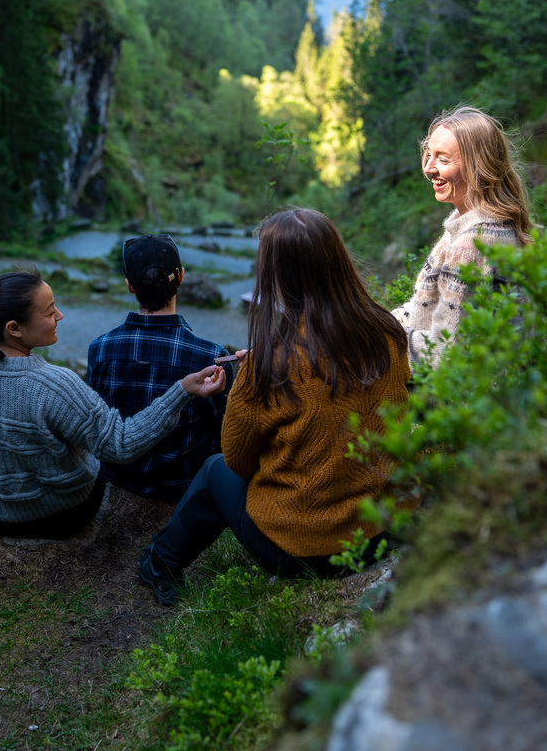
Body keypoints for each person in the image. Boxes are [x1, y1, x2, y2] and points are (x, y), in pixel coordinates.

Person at [138, 208, 415, 604]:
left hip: (302, 551)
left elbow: (237, 461)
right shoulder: (387, 331)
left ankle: (158, 562)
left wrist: (248, 381)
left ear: (276, 276)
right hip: (379, 533)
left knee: (214, 469)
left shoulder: (271, 363)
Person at [0, 270, 226, 540]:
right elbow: (120, 445)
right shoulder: (52, 384)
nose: (59, 315)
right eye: (49, 312)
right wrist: (182, 390)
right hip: (62, 515)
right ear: (14, 328)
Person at [87, 234, 235, 501]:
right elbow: (225, 434)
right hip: (182, 487)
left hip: (119, 478)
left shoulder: (100, 348)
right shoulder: (211, 357)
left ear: (130, 285)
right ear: (180, 278)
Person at [391, 106, 534, 368]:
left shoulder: (475, 243)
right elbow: (427, 307)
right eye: (429, 155)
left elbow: (444, 354)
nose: (428, 168)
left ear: (478, 167)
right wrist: (374, 323)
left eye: (443, 160)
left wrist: (378, 342)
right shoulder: (472, 228)